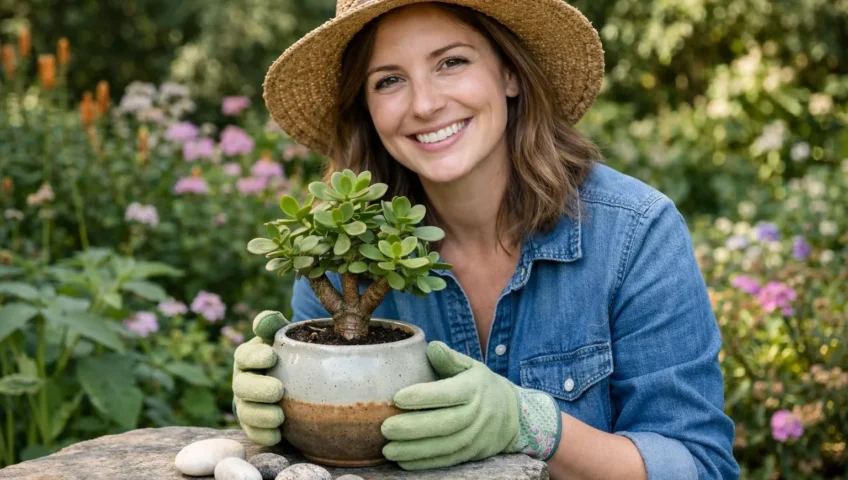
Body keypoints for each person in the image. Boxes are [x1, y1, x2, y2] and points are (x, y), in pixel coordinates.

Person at [231, 1, 740, 478]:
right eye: (388, 80)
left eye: (451, 62)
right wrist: (280, 412)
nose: (426, 104)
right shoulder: (344, 251)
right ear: (366, 107)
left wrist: (532, 426)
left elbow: (697, 463)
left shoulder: (634, 232)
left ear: (510, 74)